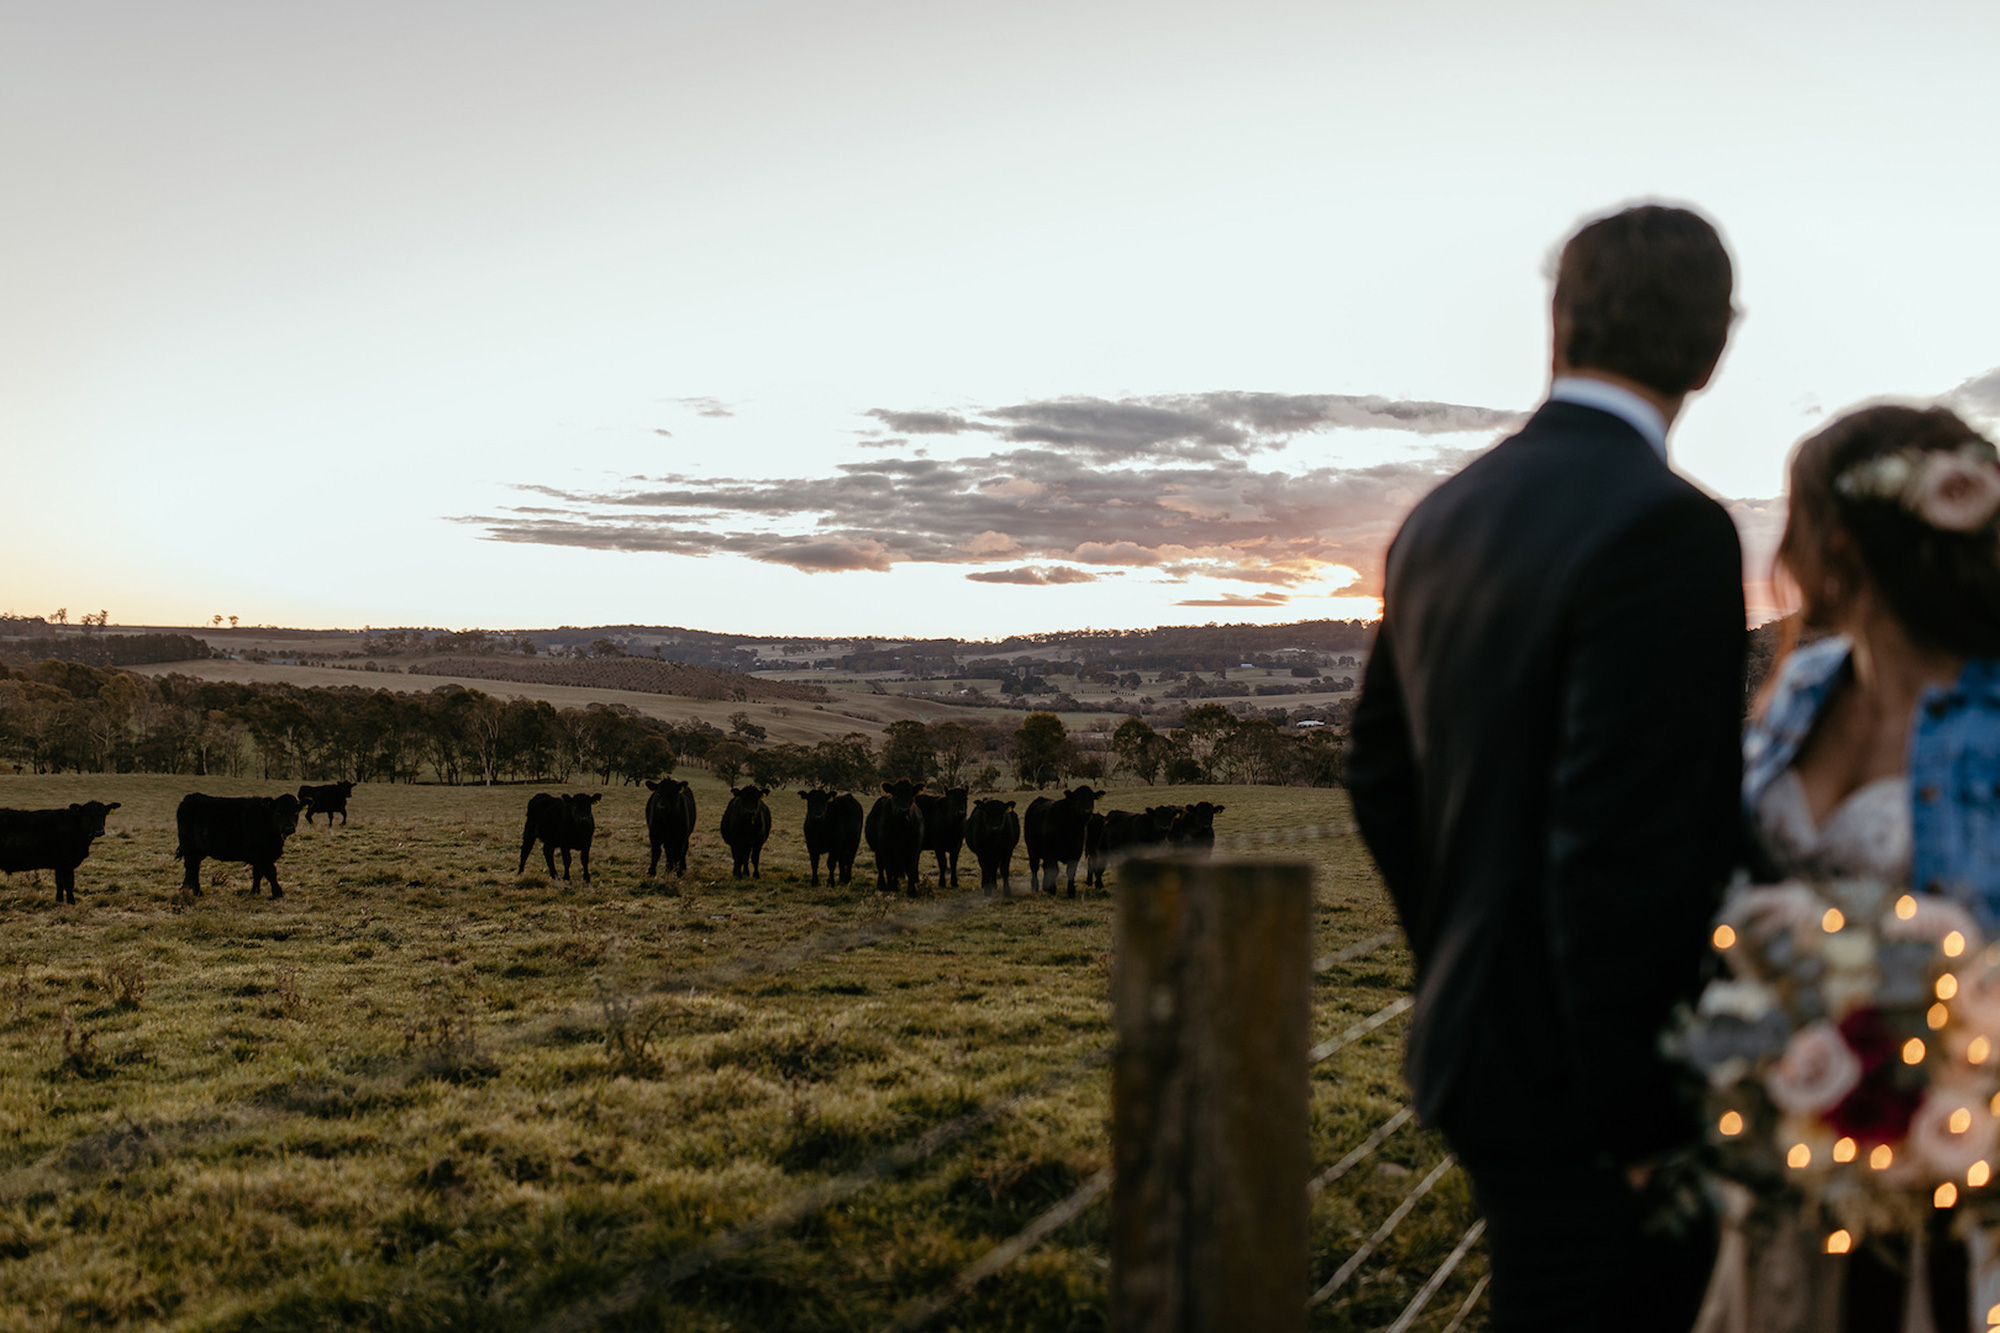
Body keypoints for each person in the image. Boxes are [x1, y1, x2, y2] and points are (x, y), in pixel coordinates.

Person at [1347, 203, 1746, 1331]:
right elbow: (1622, 846)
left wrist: (1469, 952)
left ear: (1556, 321)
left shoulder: (1440, 515)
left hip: (1483, 1050)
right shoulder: (1668, 530)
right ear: (1713, 349)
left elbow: (1378, 773)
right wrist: (1640, 1121)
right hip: (1604, 1091)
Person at [1713, 403, 2000, 1331]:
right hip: (1800, 1157)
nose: (1781, 552)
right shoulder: (1802, 684)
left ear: (1838, 544)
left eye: (1792, 525)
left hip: (1965, 1165)